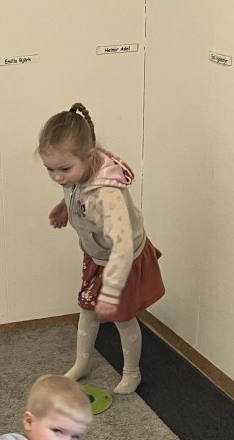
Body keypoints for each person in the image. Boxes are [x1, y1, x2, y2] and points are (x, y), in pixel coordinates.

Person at [38, 103, 165, 394]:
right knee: (87, 308)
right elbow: (75, 193)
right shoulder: (76, 174)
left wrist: (111, 291)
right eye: (50, 169)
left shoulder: (108, 194)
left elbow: (122, 245)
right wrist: (63, 208)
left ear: (89, 156)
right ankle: (82, 362)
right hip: (97, 255)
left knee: (122, 318)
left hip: (123, 260)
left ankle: (132, 372)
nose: (57, 177)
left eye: (64, 169)